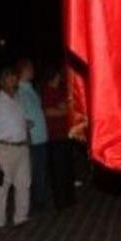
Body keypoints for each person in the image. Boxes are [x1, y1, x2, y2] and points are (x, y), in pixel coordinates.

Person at [0, 67, 31, 228]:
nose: (13, 80)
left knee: (23, 184)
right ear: (2, 81)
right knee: (2, 186)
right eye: (10, 77)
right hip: (4, 148)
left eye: (14, 77)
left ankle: (21, 217)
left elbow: (22, 122)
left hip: (21, 147)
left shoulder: (18, 99)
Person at [16, 58, 50, 214]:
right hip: (32, 139)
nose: (32, 71)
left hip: (41, 137)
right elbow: (20, 116)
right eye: (29, 68)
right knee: (33, 172)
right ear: (22, 70)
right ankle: (35, 203)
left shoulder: (31, 89)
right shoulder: (19, 92)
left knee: (40, 171)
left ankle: (40, 200)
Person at [41, 68, 76, 211]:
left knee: (68, 169)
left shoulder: (61, 90)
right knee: (58, 171)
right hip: (55, 137)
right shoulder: (48, 91)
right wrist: (63, 110)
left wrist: (64, 109)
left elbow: (69, 106)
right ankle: (60, 201)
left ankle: (69, 198)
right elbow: (49, 111)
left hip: (66, 135)